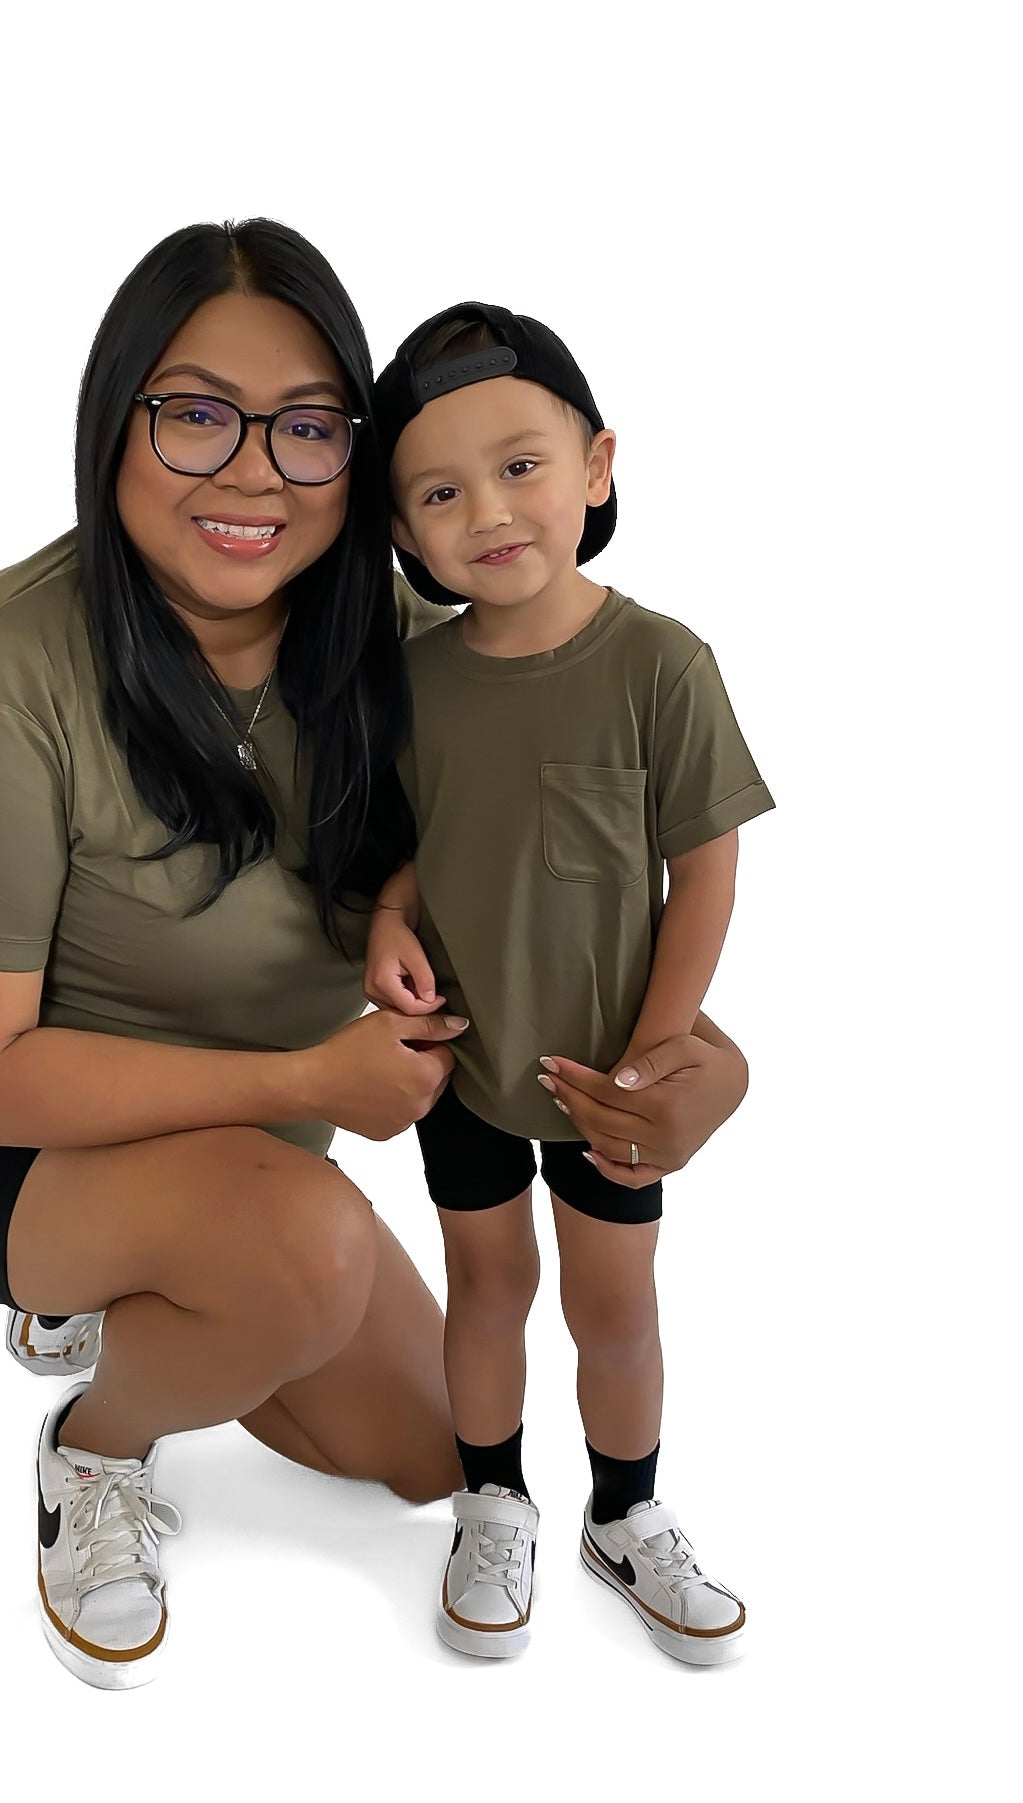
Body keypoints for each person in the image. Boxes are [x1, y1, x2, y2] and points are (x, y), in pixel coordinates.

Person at [0, 222, 755, 1692]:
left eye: (310, 426)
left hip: (249, 1149)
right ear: (112, 419)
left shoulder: (415, 651)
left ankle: (172, 1274)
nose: (255, 472)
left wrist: (700, 1065)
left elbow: (572, 880)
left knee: (430, 1453)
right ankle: (96, 1445)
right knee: (305, 1262)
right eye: (197, 414)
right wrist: (309, 1080)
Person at [365, 303, 774, 1665]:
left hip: (607, 1069)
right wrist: (389, 916)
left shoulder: (662, 664)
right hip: (465, 1059)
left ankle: (626, 1514)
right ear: (403, 528)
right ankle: (492, 1502)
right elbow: (421, 847)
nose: (487, 510)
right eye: (440, 492)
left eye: (521, 465)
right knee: (485, 1286)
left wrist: (652, 1063)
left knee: (615, 1305)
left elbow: (703, 871)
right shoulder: (415, 683)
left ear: (597, 466)